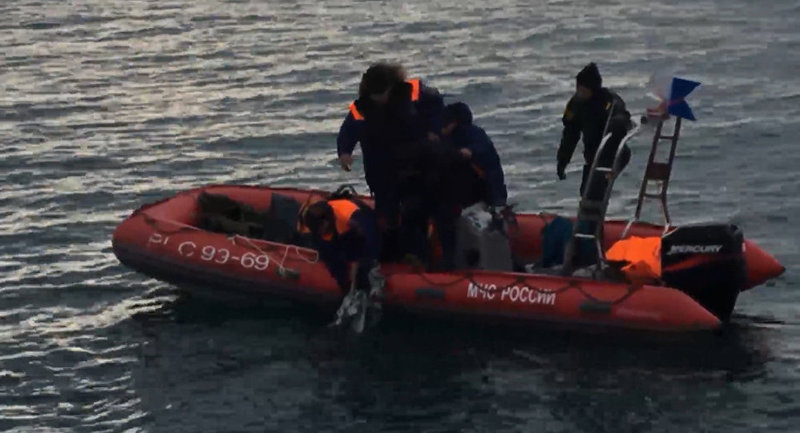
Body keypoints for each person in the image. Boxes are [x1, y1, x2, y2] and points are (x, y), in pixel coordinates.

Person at [336, 63, 445, 262]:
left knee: (416, 210)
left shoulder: (413, 92)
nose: (380, 99)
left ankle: (421, 254)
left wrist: (434, 131)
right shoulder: (362, 107)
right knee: (386, 215)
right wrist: (344, 152)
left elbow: (437, 106)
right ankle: (390, 256)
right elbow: (348, 130)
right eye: (375, 95)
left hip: (414, 164)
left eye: (382, 93)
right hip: (380, 168)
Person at [556, 62, 633, 199]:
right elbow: (570, 135)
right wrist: (562, 161)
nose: (579, 92)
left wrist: (616, 123)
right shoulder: (576, 104)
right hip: (593, 157)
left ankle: (597, 207)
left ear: (592, 88)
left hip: (614, 154)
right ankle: (591, 211)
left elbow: (623, 116)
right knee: (586, 193)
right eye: (577, 88)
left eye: (582, 89)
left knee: (596, 190)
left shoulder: (608, 100)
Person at [301, 198, 381, 295]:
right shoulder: (316, 227)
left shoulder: (353, 217)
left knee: (366, 260)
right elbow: (329, 255)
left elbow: (371, 241)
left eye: (320, 227)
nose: (319, 231)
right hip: (340, 233)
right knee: (331, 258)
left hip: (358, 228)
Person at [440, 102, 508, 208]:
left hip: (487, 191)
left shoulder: (468, 134)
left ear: (453, 123)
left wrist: (469, 151)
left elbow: (479, 147)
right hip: (489, 190)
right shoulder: (473, 133)